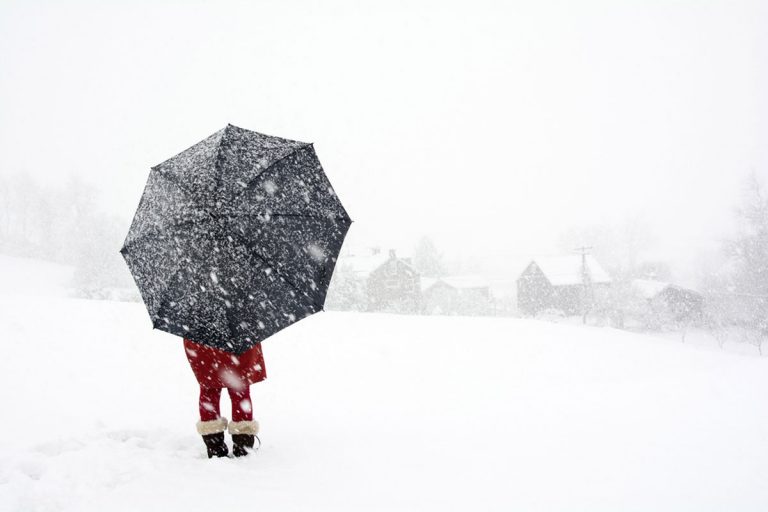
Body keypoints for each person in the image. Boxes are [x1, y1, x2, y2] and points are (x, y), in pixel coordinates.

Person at [183, 338, 267, 458]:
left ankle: (215, 446)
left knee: (209, 392)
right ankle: (243, 444)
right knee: (240, 391)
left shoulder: (197, 322)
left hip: (204, 342)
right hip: (238, 342)